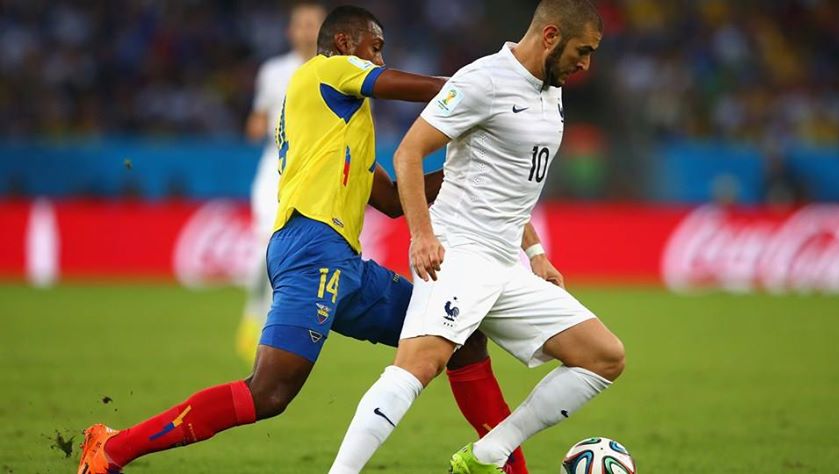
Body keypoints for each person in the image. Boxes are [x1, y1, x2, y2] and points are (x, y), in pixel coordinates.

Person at [78, 6, 528, 474]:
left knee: (461, 338)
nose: (379, 60)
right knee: (269, 392)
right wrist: (489, 89)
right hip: (312, 247)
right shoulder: (325, 69)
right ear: (345, 43)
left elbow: (393, 201)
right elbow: (412, 86)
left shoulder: (342, 127)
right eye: (375, 48)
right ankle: (112, 449)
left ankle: (510, 468)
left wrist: (468, 171)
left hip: (344, 264)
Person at [328, 1, 626, 473]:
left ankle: (489, 452)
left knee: (604, 356)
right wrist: (422, 235)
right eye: (582, 51)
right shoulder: (482, 80)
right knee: (418, 366)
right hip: (460, 251)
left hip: (506, 262)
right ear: (551, 36)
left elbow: (512, 184)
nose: (586, 65)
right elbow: (408, 154)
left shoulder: (551, 89)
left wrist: (536, 252)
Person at [236, 2, 326, 365]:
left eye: (313, 24)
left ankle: (281, 327)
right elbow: (257, 120)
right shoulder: (273, 71)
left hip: (317, 171)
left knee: (299, 251)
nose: (306, 31)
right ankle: (254, 312)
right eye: (301, 24)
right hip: (276, 166)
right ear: (290, 31)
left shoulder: (337, 71)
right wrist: (259, 125)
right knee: (266, 245)